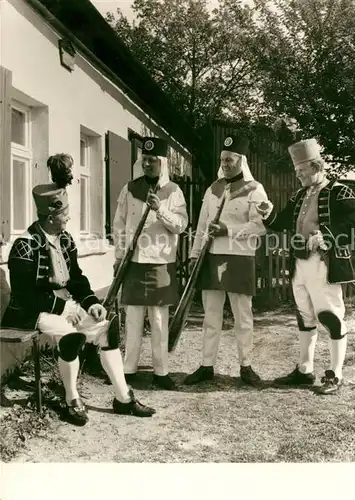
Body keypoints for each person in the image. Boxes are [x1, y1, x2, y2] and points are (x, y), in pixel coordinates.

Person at [1, 154, 156, 425]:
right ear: (51, 216)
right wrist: (65, 309)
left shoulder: (65, 240)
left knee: (105, 327)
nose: (69, 217)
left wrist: (88, 302)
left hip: (62, 308)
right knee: (71, 334)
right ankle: (71, 398)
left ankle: (123, 398)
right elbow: (25, 296)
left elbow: (75, 278)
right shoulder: (24, 246)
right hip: (29, 313)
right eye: (64, 214)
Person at [256, 137, 355, 394]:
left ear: (316, 166)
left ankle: (335, 375)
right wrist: (267, 212)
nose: (297, 175)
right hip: (299, 263)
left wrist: (328, 237)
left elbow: (351, 224)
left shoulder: (340, 191)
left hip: (325, 263)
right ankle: (305, 369)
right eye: (296, 170)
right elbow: (282, 222)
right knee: (304, 316)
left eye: (301, 170)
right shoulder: (300, 194)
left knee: (331, 317)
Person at [184, 135, 269, 386]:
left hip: (240, 258)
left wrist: (228, 231)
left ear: (241, 160)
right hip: (212, 257)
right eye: (223, 160)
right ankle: (206, 365)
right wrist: (193, 254)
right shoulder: (214, 188)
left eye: (230, 159)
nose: (226, 164)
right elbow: (201, 224)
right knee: (211, 315)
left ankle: (246, 366)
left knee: (243, 316)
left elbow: (260, 227)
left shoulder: (255, 189)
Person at [113, 138, 188, 390]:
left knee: (158, 320)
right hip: (134, 262)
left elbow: (180, 225)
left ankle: (161, 371)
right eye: (144, 159)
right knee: (133, 318)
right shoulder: (129, 188)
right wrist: (119, 257)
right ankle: (129, 368)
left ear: (162, 163)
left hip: (160, 262)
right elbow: (120, 225)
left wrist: (161, 211)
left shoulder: (174, 191)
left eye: (152, 160)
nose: (147, 163)